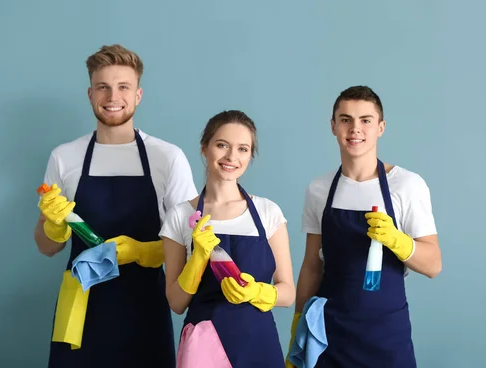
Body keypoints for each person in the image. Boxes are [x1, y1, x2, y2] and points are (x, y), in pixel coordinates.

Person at [34, 44, 198, 367]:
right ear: (90, 93)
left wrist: (141, 251)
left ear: (138, 95)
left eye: (123, 87)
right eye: (103, 87)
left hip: (145, 311)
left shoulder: (167, 158)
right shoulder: (64, 157)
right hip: (80, 312)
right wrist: (53, 226)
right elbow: (46, 246)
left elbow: (191, 242)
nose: (112, 97)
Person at [286, 85, 442, 368]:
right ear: (333, 126)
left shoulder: (407, 185)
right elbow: (311, 265)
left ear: (380, 127)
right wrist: (298, 325)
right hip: (329, 336)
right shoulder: (319, 189)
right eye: (345, 119)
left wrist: (399, 241)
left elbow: (434, 264)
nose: (354, 128)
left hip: (386, 337)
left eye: (365, 120)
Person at [159, 110, 295, 367]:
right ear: (204, 148)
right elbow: (176, 303)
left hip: (259, 346)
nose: (232, 157)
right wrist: (198, 258)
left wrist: (256, 292)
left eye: (243, 149)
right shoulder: (180, 216)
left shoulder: (268, 212)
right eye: (222, 145)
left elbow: (288, 292)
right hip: (203, 348)